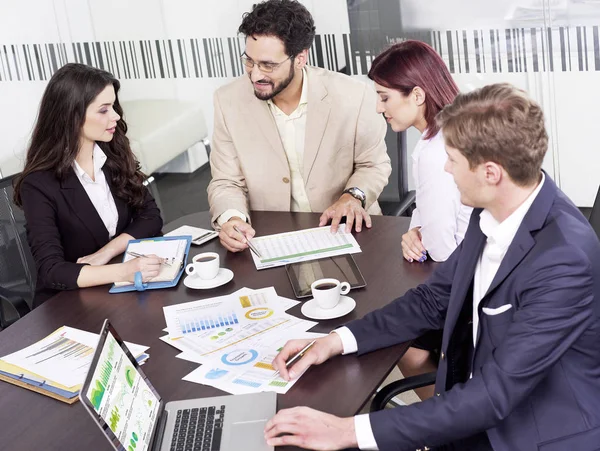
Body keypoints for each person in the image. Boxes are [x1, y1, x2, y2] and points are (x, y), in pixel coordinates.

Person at [265, 83, 600, 450]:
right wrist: (335, 341)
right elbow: (431, 299)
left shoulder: (564, 260)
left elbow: (494, 396)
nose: (445, 167)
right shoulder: (492, 209)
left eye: (452, 159)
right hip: (477, 400)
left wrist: (348, 431)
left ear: (491, 173)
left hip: (532, 431)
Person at [207, 0, 391, 253]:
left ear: (300, 58)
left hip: (349, 232)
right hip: (271, 238)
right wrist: (232, 218)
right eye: (249, 61)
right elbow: (226, 181)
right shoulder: (227, 100)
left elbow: (373, 165)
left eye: (268, 65)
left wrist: (352, 197)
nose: (255, 74)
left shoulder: (354, 96)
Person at [369, 40, 473, 400]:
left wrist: (425, 233)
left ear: (416, 94)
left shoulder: (435, 151)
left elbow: (443, 247)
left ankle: (445, 425)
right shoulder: (450, 130)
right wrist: (417, 227)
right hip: (474, 268)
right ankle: (447, 417)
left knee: (400, 339)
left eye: (384, 97)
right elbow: (434, 208)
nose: (380, 107)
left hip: (467, 282)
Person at [13, 63, 164, 307]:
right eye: (103, 110)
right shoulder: (39, 184)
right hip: (69, 305)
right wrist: (123, 271)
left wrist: (106, 253)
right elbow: (52, 270)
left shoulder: (112, 152)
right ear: (72, 116)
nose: (115, 116)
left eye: (113, 106)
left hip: (119, 294)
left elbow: (150, 216)